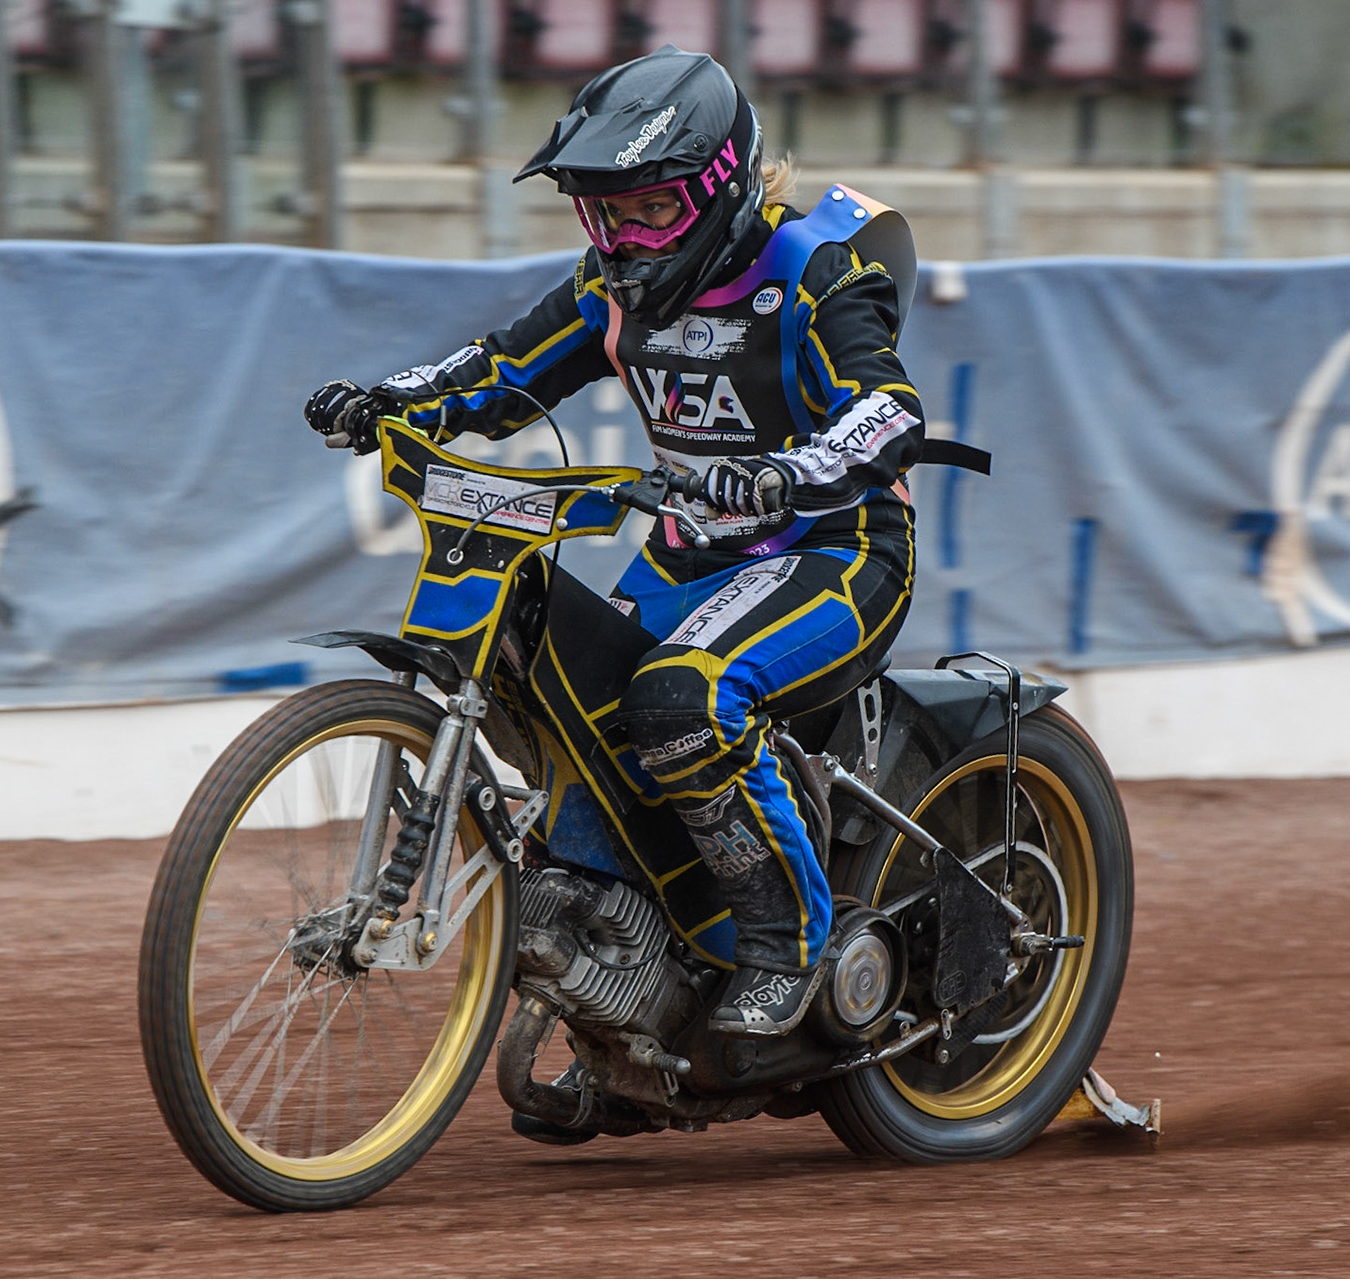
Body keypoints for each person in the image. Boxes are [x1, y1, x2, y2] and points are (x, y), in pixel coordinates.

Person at [304, 47, 923, 1043]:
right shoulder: (611, 288)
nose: (627, 241)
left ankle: (788, 940)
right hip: (690, 557)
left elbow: (889, 414)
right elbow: (505, 367)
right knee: (557, 692)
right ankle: (639, 973)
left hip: (835, 552)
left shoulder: (816, 273)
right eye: (605, 215)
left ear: (720, 185)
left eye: (652, 211)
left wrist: (785, 472)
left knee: (681, 699)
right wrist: (392, 399)